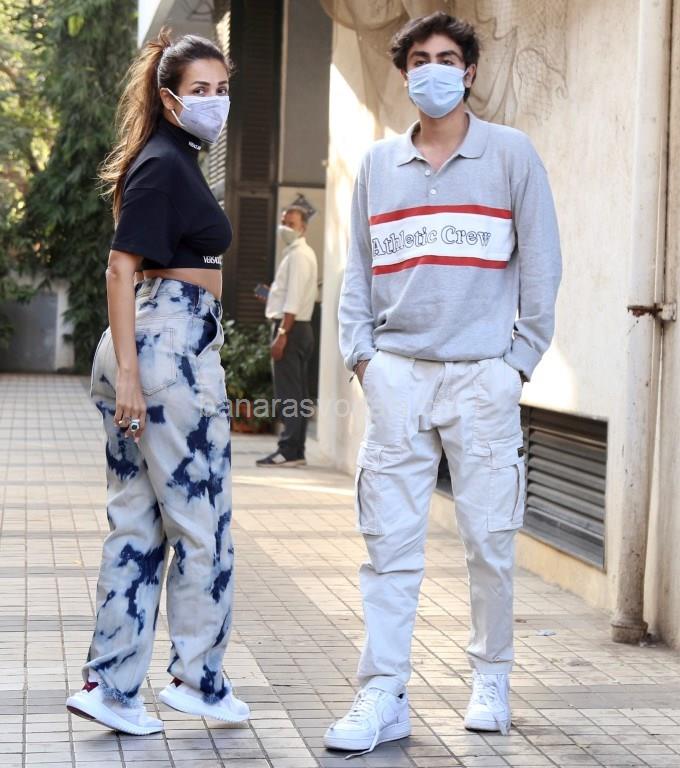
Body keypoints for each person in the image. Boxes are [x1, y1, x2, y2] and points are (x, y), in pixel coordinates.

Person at [325, 11, 561, 756]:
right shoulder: (377, 165)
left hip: (482, 379)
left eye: (447, 58)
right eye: (420, 59)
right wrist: (363, 359)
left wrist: (517, 363)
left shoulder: (511, 154)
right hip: (397, 376)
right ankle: (383, 694)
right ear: (405, 75)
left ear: (469, 71)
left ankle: (491, 679)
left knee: (490, 541)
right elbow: (357, 272)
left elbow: (543, 265)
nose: (433, 69)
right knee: (387, 546)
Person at [64, 29, 250, 736]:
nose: (214, 101)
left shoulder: (170, 159)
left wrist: (132, 372)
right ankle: (199, 681)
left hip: (150, 348)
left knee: (138, 525)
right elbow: (120, 267)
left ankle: (111, 689)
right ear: (169, 98)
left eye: (222, 89)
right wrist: (133, 379)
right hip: (169, 349)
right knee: (204, 524)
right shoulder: (164, 163)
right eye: (200, 90)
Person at [255, 205, 318, 467]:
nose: (285, 227)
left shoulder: (299, 255)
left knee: (289, 394)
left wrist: (282, 333)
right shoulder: (296, 253)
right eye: (283, 222)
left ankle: (289, 450)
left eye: (291, 223)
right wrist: (272, 297)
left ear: (303, 227)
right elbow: (290, 295)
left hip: (291, 330)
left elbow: (293, 300)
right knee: (298, 394)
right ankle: (296, 450)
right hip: (297, 328)